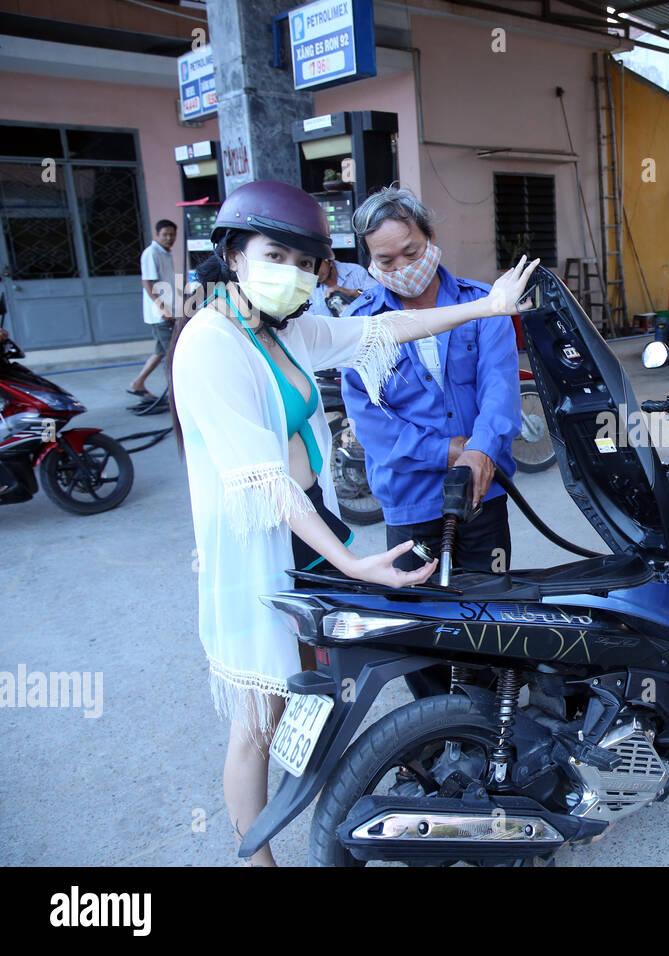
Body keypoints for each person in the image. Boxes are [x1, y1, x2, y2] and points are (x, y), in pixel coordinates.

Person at [167, 180, 537, 866]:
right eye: (276, 254)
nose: (295, 273)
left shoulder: (282, 331)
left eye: (307, 262)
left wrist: (486, 306)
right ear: (232, 254)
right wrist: (350, 562)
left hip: (305, 539)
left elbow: (382, 330)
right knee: (257, 721)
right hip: (259, 548)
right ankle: (259, 862)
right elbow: (265, 479)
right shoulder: (209, 342)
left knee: (305, 699)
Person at [341, 186, 522, 573]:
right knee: (422, 619)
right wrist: (447, 452)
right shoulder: (361, 324)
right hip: (410, 498)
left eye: (411, 252)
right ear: (369, 260)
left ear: (431, 239)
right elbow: (370, 421)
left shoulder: (482, 304)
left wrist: (480, 450)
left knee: (489, 607)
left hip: (481, 489)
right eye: (386, 261)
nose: (403, 268)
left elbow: (500, 389)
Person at [127, 219, 177, 399]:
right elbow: (147, 282)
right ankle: (175, 396)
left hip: (168, 311)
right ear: (157, 235)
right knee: (173, 355)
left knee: (160, 351)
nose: (169, 238)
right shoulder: (151, 253)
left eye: (172, 234)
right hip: (160, 315)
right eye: (165, 234)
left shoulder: (165, 253)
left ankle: (138, 383)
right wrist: (162, 308)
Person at [310, 256, 375, 316]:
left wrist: (351, 292)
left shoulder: (355, 271)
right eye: (309, 268)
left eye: (316, 266)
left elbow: (377, 296)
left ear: (326, 260)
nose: (314, 273)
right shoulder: (309, 287)